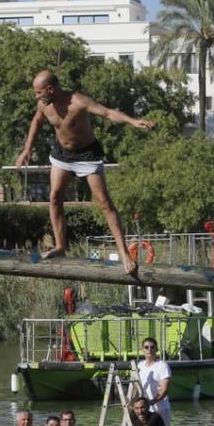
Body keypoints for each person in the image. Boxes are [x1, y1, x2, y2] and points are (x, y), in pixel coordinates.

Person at [14, 69, 155, 275]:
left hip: (87, 156)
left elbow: (108, 113)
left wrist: (133, 121)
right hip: (62, 155)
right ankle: (60, 247)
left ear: (51, 89)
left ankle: (124, 253)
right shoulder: (44, 105)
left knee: (105, 204)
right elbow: (36, 121)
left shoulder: (78, 101)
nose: (36, 96)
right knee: (54, 198)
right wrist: (27, 148)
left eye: (38, 92)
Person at [135, 337, 172, 426]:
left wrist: (151, 402)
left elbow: (164, 390)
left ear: (156, 349)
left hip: (160, 409)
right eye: (146, 347)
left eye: (152, 347)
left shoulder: (162, 365)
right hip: (144, 410)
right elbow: (135, 387)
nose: (149, 350)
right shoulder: (139, 365)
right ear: (142, 349)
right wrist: (130, 402)